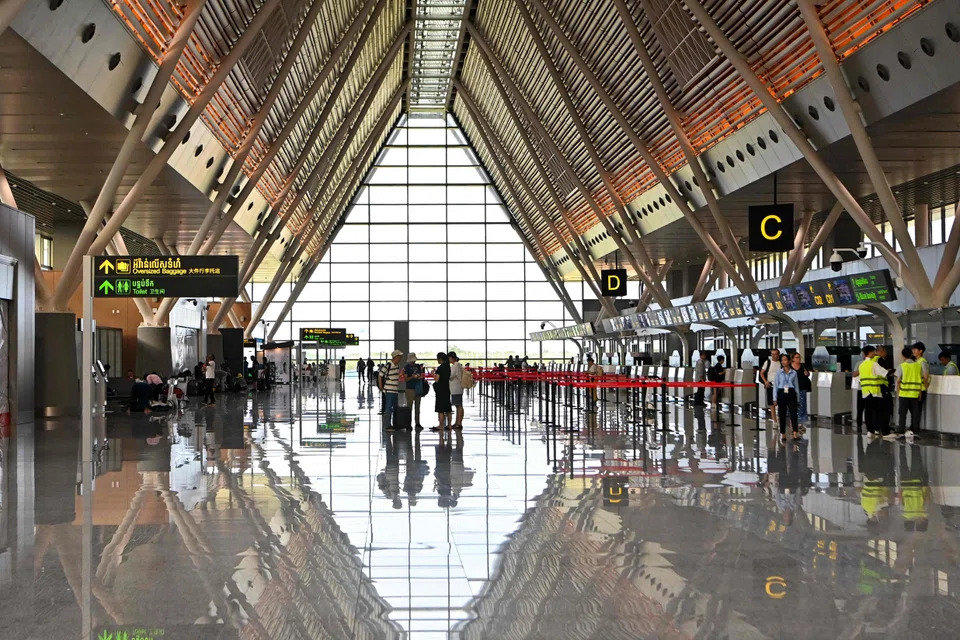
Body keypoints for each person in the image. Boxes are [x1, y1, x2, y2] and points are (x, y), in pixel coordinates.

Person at [858, 345, 891, 438]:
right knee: (879, 412)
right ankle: (884, 431)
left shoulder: (862, 365)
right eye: (873, 351)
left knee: (868, 412)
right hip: (875, 391)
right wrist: (890, 371)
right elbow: (884, 373)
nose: (874, 353)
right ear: (870, 352)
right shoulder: (873, 364)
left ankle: (870, 431)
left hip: (865, 392)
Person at [896, 347, 926, 439]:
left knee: (902, 414)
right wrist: (920, 393)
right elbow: (922, 379)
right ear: (911, 355)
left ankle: (901, 432)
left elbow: (898, 381)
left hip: (904, 394)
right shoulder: (918, 366)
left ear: (903, 356)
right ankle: (915, 432)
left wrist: (898, 393)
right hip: (915, 394)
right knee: (915, 414)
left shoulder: (901, 366)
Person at [774, 353, 800, 441]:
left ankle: (795, 433)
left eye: (785, 360)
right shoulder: (778, 373)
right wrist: (775, 398)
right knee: (782, 414)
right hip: (782, 393)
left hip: (791, 392)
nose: (783, 362)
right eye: (782, 360)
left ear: (789, 361)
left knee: (793, 414)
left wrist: (798, 398)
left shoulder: (794, 373)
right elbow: (776, 386)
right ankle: (783, 433)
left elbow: (796, 386)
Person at [381, 350, 403, 428]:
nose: (400, 358)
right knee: (388, 408)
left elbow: (396, 376)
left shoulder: (397, 366)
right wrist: (381, 388)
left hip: (395, 390)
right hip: (389, 390)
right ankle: (387, 425)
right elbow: (380, 375)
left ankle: (395, 424)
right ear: (395, 357)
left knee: (395, 408)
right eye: (399, 356)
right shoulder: (388, 365)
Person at [403, 353, 425, 431]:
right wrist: (412, 376)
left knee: (417, 407)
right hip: (410, 389)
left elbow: (421, 375)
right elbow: (406, 379)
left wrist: (419, 377)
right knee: (409, 407)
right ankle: (408, 423)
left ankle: (417, 423)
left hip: (417, 388)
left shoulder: (418, 366)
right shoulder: (406, 367)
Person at [432, 352, 452, 431]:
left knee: (440, 408)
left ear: (440, 359)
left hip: (440, 389)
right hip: (447, 388)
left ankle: (440, 425)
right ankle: (449, 425)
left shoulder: (440, 368)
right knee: (447, 408)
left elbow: (437, 379)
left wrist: (433, 374)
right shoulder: (448, 367)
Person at [760, 348, 781, 419]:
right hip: (771, 384)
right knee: (772, 404)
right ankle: (774, 420)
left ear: (778, 355)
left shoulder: (781, 363)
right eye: (773, 354)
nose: (774, 356)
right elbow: (762, 372)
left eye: (776, 354)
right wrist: (765, 381)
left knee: (780, 402)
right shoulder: (768, 362)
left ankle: (779, 418)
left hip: (780, 385)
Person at [791, 352, 811, 422]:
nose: (798, 359)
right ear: (793, 359)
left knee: (802, 403)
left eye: (799, 357)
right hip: (793, 388)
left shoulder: (803, 365)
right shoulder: (790, 367)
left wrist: (807, 373)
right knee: (793, 403)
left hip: (802, 386)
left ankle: (801, 418)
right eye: (796, 357)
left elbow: (807, 374)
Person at [449, 351, 464, 429]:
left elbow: (450, 376)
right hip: (458, 388)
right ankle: (458, 422)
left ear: (451, 358)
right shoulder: (459, 365)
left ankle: (458, 423)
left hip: (455, 388)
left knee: (458, 406)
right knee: (459, 405)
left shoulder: (454, 366)